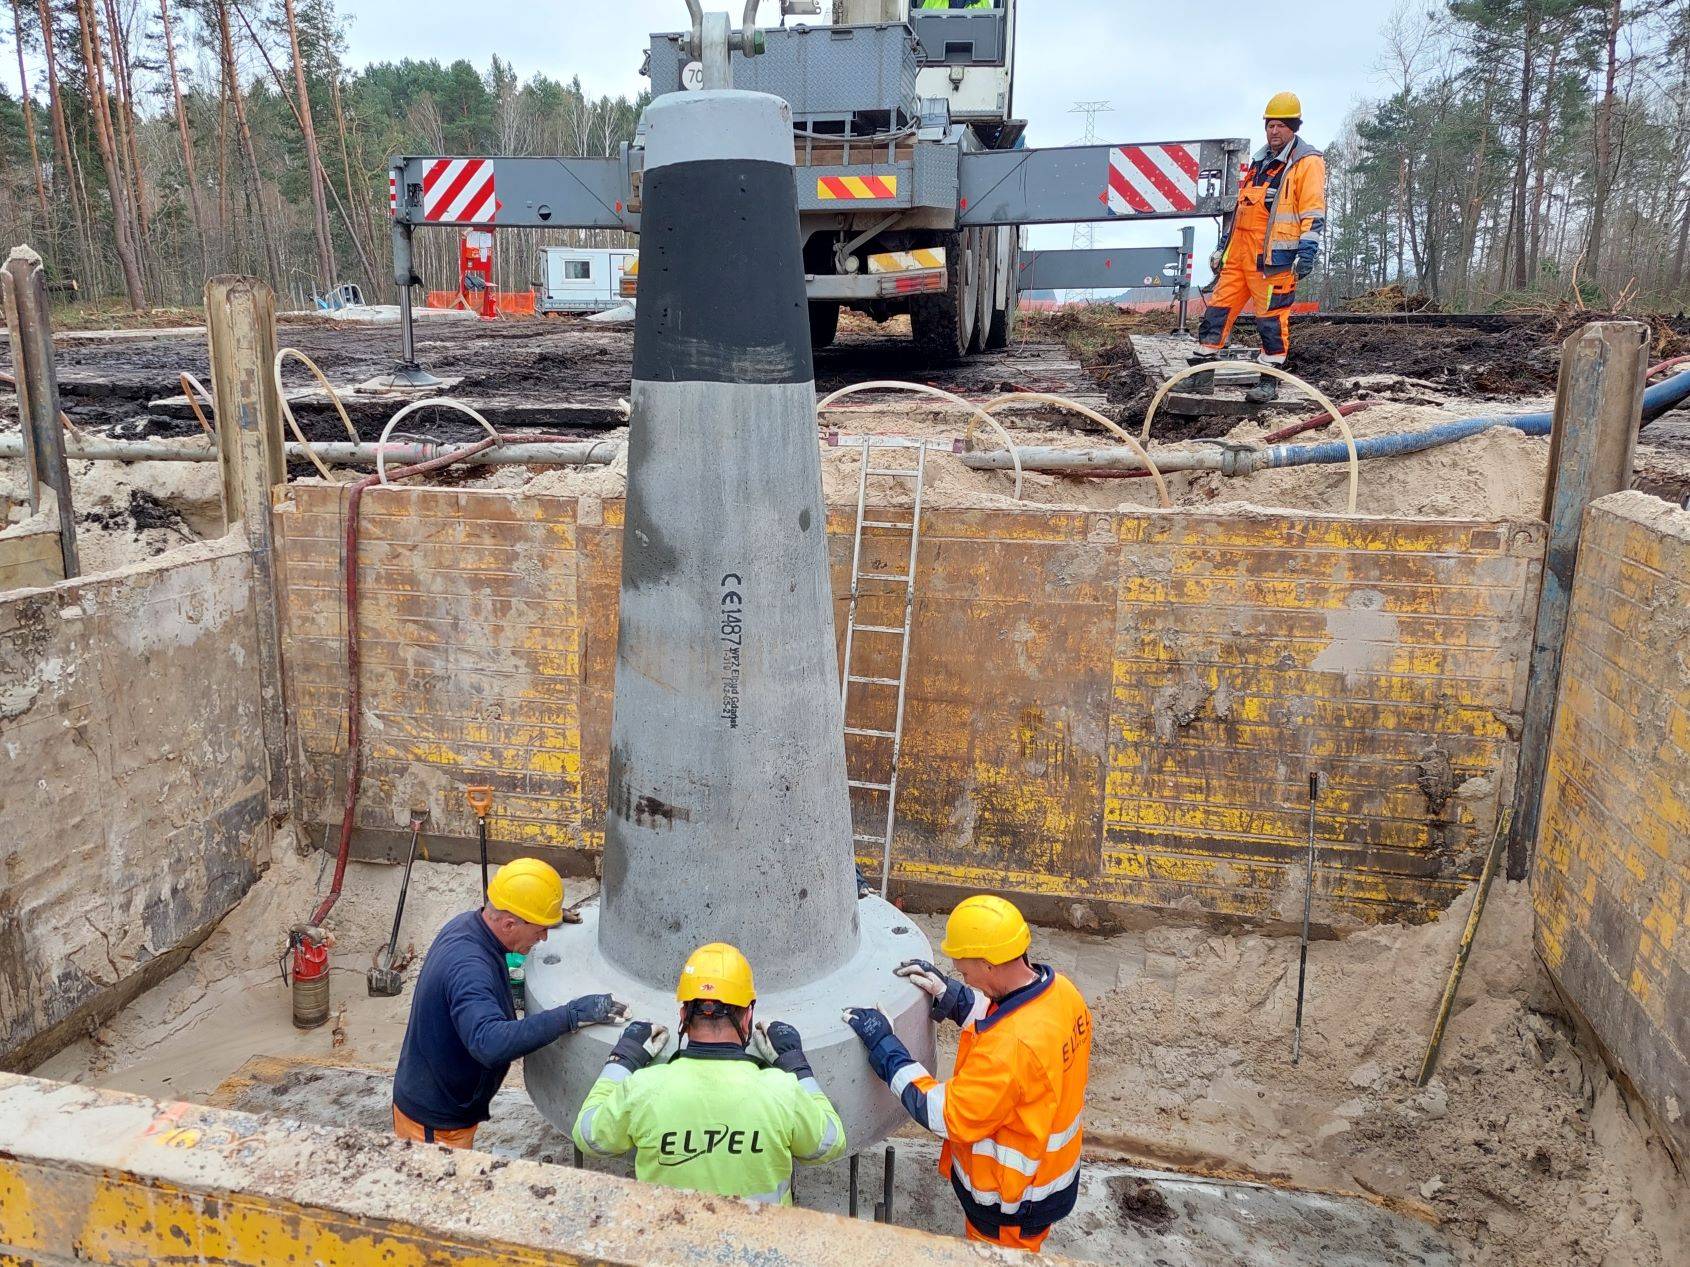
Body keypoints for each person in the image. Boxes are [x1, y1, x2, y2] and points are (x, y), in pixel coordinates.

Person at [844, 895, 1092, 1253]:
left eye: (965, 971)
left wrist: (884, 1045)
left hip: (1009, 1205)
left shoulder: (1010, 1050)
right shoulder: (1062, 994)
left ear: (989, 965)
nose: (964, 975)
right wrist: (952, 996)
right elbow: (1007, 1016)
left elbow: (944, 1113)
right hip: (1045, 1181)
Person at [572, 942, 848, 1203]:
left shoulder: (643, 1089)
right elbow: (829, 1144)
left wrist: (621, 1061)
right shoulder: (781, 1091)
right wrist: (796, 1065)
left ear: (683, 1015)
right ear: (748, 1016)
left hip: (667, 1246)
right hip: (762, 1247)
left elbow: (589, 1137)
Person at [392, 857, 627, 1148]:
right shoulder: (470, 970)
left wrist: (545, 918)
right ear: (509, 923)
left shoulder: (470, 925)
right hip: (435, 1124)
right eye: (540, 930)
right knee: (439, 1190)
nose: (543, 938)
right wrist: (570, 1015)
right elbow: (489, 1043)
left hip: (447, 1099)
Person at [1191, 91, 1327, 403]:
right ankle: (1199, 376)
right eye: (1270, 125)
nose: (1274, 131)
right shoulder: (1259, 162)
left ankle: (1269, 381)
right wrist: (1222, 248)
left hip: (1274, 262)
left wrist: (1307, 253)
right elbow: (1241, 212)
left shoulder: (1306, 164)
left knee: (1271, 320)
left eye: (1281, 125)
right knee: (1217, 311)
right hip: (1239, 258)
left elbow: (1313, 212)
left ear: (1294, 127)